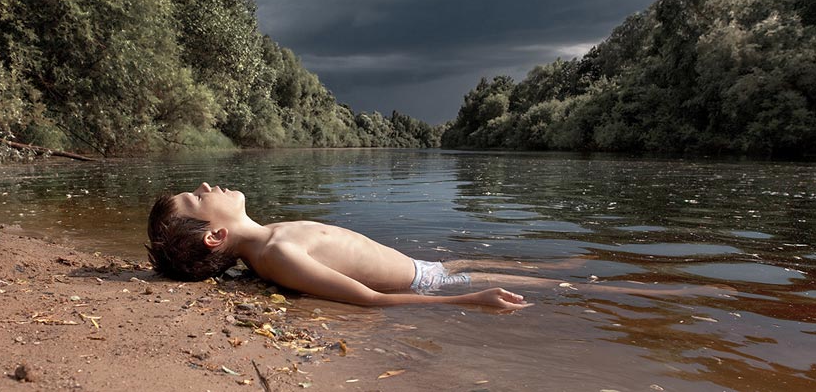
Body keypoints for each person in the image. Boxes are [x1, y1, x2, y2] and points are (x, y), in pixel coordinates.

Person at [146, 183, 722, 309]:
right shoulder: (275, 255)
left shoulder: (267, 241)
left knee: (547, 263)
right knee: (555, 285)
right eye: (196, 200)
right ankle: (662, 290)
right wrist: (468, 302)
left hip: (428, 264)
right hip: (427, 281)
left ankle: (608, 267)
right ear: (216, 235)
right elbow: (369, 300)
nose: (204, 187)